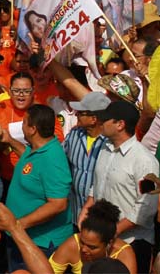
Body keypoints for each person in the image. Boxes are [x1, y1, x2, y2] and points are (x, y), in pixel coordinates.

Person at [83, 101, 158, 273]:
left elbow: (146, 207)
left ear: (120, 124)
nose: (100, 123)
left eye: (105, 120)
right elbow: (97, 184)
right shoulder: (104, 148)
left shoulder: (145, 161)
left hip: (133, 242)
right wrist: (87, 208)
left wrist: (112, 231)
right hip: (103, 241)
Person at [0, 104, 73, 271]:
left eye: (24, 122)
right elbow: (27, 157)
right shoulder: (38, 149)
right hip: (24, 237)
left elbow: (58, 204)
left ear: (32, 129)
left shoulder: (52, 159)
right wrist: (10, 140)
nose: (22, 126)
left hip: (41, 244)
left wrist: (18, 224)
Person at [48, 200, 137, 274]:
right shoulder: (72, 245)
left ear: (109, 243)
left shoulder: (124, 255)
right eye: (82, 242)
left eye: (92, 247)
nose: (83, 249)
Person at [62, 92, 109, 226]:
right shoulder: (74, 135)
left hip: (100, 218)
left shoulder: (109, 143)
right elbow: (59, 158)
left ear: (94, 119)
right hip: (74, 214)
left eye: (81, 113)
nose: (76, 115)